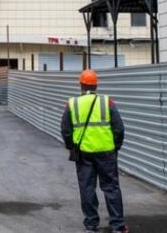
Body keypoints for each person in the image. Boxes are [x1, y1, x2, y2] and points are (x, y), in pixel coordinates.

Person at [61, 69, 128, 233]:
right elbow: (119, 128)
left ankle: (91, 225)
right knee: (111, 187)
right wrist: (115, 146)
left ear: (81, 85)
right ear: (96, 85)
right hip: (107, 153)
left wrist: (72, 147)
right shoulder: (107, 102)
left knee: (87, 187)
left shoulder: (72, 104)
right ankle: (118, 225)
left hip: (83, 153)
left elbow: (66, 130)